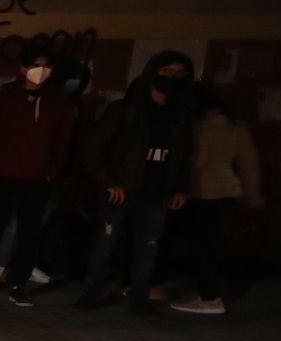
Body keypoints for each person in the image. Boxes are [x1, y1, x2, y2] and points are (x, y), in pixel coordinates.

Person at [78, 51, 196, 314]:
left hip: (157, 191)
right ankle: (92, 293)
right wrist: (108, 182)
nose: (173, 78)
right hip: (122, 188)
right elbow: (92, 146)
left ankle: (139, 297)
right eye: (167, 72)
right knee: (105, 242)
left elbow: (185, 154)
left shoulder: (181, 114)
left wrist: (180, 187)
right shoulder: (127, 110)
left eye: (180, 74)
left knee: (148, 246)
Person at [0, 51, 75, 306]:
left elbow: (63, 140)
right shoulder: (4, 98)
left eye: (46, 66)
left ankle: (18, 284)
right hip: (0, 174)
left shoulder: (59, 102)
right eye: (36, 65)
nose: (41, 71)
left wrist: (51, 171)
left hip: (37, 178)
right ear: (24, 69)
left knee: (29, 233)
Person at [169, 82, 262, 314]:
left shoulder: (196, 127)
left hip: (200, 191)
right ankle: (208, 293)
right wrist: (253, 196)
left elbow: (194, 162)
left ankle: (209, 297)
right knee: (209, 244)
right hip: (228, 189)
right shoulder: (235, 127)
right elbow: (250, 165)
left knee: (200, 245)